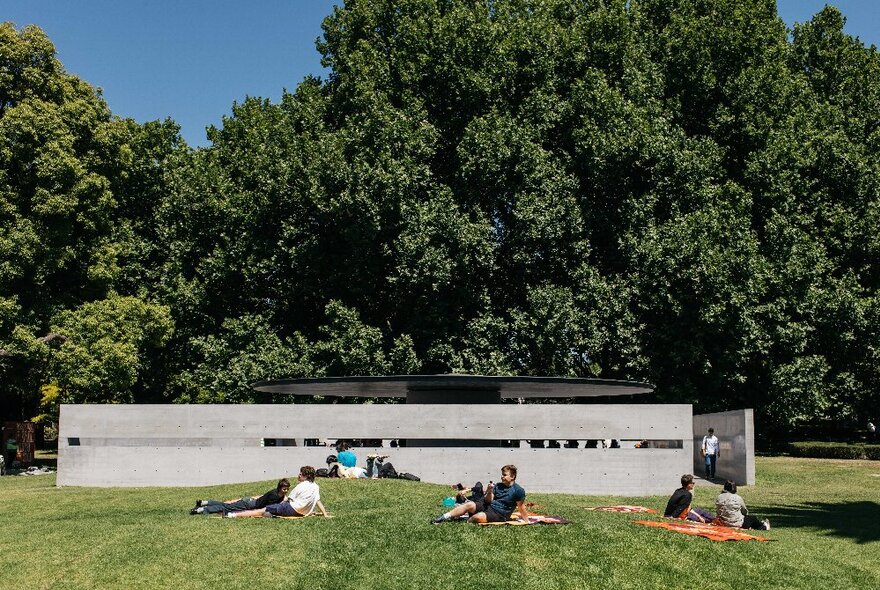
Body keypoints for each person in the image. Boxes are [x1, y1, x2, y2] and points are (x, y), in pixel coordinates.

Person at [431, 464, 528, 524]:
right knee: (469, 504)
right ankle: (443, 517)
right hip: (489, 505)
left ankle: (466, 521)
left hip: (500, 513)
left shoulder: (518, 490)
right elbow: (487, 500)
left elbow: (521, 507)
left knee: (478, 517)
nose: (502, 477)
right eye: (502, 474)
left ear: (512, 476)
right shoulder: (498, 485)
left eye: (504, 475)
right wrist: (489, 490)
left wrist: (526, 521)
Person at [227, 466, 331, 519]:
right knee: (267, 510)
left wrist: (276, 505)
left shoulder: (301, 486)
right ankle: (269, 513)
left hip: (292, 509)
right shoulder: (316, 486)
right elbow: (318, 501)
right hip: (302, 512)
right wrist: (324, 514)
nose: (298, 475)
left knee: (262, 510)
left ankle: (234, 515)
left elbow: (287, 499)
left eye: (300, 474)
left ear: (306, 476)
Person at [190, 478, 290, 515]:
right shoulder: (275, 496)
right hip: (248, 505)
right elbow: (267, 508)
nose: (286, 491)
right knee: (226, 508)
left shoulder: (277, 494)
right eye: (284, 489)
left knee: (226, 505)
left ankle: (204, 503)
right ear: (279, 488)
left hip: (250, 502)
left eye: (287, 489)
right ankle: (201, 510)